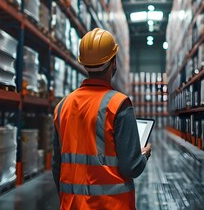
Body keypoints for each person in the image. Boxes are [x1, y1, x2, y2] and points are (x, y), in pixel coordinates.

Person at [52, 28, 152, 209]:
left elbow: (56, 166)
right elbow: (131, 167)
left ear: (83, 63)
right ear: (113, 62)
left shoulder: (62, 106)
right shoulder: (119, 105)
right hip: (111, 205)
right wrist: (144, 154)